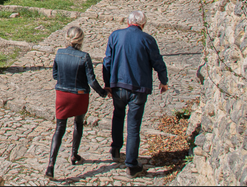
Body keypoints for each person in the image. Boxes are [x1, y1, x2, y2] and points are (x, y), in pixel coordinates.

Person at [102, 10, 168, 178]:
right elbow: (158, 61)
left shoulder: (115, 36)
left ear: (128, 22)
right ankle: (131, 164)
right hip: (138, 89)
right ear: (143, 24)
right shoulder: (148, 40)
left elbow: (107, 61)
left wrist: (107, 84)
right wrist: (163, 80)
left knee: (118, 115)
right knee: (133, 125)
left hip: (118, 85)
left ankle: (115, 148)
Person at [45, 25, 109, 179]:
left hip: (62, 95)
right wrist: (103, 92)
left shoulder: (59, 53)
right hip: (79, 95)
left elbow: (55, 75)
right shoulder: (84, 57)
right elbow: (91, 81)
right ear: (81, 40)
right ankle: (74, 154)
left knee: (59, 128)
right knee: (78, 123)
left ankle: (50, 165)